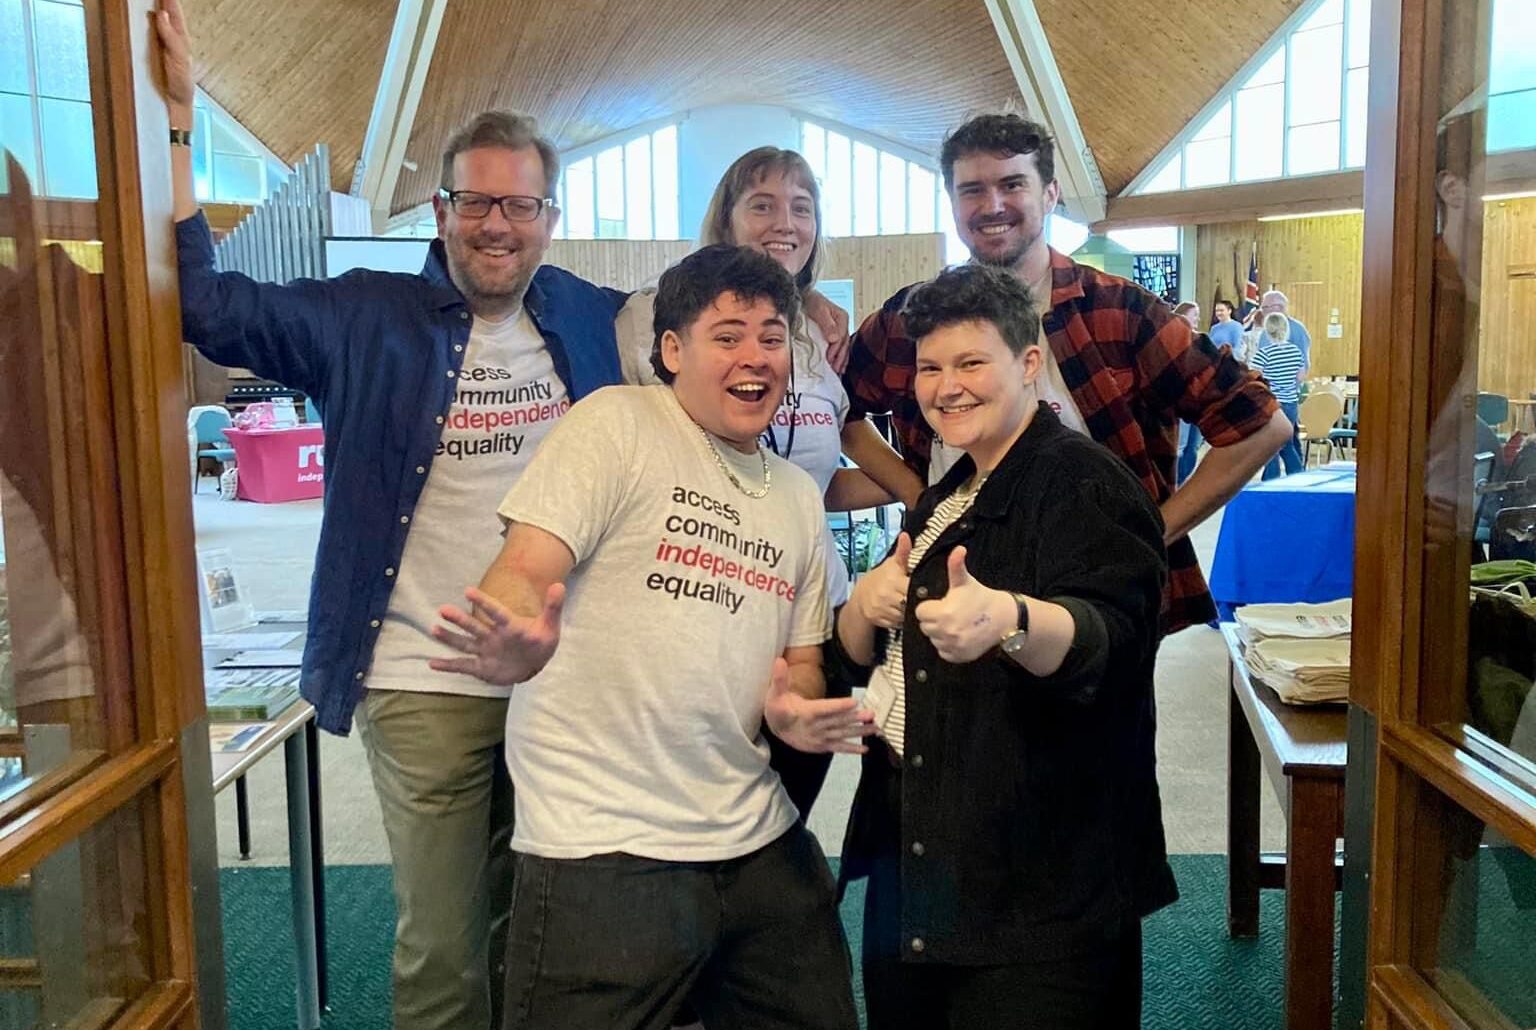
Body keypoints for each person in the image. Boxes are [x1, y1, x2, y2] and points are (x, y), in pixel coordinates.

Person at [154, 3, 630, 1026]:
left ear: (551, 217)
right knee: (445, 953)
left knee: (536, 931)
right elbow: (205, 305)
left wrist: (803, 308)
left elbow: (710, 343)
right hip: (424, 678)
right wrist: (179, 127)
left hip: (567, 676)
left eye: (521, 206)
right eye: (475, 203)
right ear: (441, 209)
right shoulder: (361, 313)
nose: (497, 224)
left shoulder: (591, 315)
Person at [431, 244, 867, 1030]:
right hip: (602, 843)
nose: (755, 357)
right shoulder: (616, 425)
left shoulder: (800, 497)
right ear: (671, 351)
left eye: (772, 337)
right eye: (727, 335)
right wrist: (515, 635)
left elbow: (800, 662)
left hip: (756, 833)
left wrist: (798, 712)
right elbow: (527, 565)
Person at [831, 264, 1175, 1029]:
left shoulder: (1082, 481)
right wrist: (862, 606)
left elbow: (1112, 639)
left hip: (1035, 887)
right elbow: (857, 660)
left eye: (970, 362)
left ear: (1027, 364)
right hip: (920, 853)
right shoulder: (950, 493)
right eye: (929, 367)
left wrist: (1015, 621)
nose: (945, 386)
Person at [841, 113, 1290, 633]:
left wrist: (1148, 533)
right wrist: (917, 494)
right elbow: (837, 405)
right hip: (955, 584)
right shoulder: (909, 318)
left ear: (1050, 194)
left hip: (1093, 595)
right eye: (972, 190)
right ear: (952, 201)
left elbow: (1263, 424)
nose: (992, 206)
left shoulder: (1120, 312)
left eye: (1012, 184)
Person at [615, 147, 917, 817]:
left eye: (801, 207)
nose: (786, 222)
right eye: (762, 205)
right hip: (704, 610)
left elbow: (811, 481)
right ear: (723, 219)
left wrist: (923, 490)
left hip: (811, 616)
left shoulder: (813, 333)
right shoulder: (654, 316)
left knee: (781, 813)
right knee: (694, 817)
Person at [1251, 312, 1307, 479]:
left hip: (1272, 404)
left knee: (1271, 444)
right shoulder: (1295, 351)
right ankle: (1297, 476)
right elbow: (1301, 376)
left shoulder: (1264, 354)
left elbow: (1255, 378)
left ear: (1267, 331)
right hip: (1291, 402)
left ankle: (1270, 479)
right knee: (1287, 443)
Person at [1172, 302, 1203, 484]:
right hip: (1181, 400)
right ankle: (1174, 486)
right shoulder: (1175, 340)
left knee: (1192, 447)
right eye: (1195, 314)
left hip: (1198, 401)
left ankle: (1182, 482)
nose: (1197, 318)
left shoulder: (1198, 339)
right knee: (1180, 447)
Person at [1256, 289, 1313, 373]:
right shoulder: (1264, 332)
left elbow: (1303, 363)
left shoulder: (1297, 329)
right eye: (1264, 308)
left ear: (1282, 307)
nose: (1265, 311)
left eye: (1268, 307)